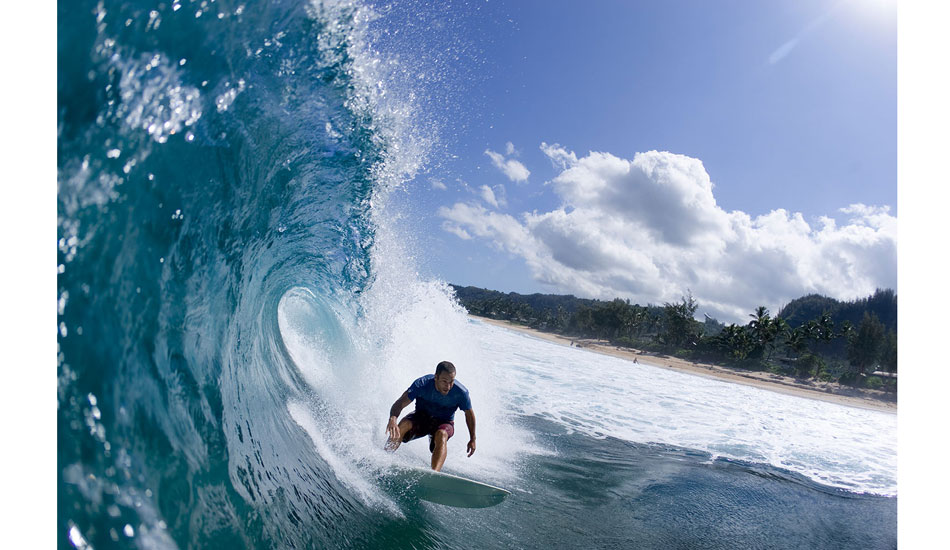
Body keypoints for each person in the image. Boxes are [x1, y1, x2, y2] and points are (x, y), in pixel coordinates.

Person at [384, 361, 476, 471]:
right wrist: (393, 419)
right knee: (403, 425)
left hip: (444, 424)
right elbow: (400, 403)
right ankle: (384, 457)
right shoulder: (422, 384)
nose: (448, 386)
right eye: (444, 381)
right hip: (421, 419)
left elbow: (469, 414)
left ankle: (434, 474)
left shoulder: (461, 392)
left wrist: (472, 439)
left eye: (451, 382)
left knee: (442, 435)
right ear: (436, 377)